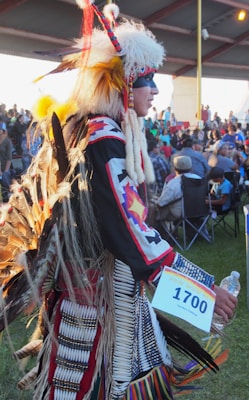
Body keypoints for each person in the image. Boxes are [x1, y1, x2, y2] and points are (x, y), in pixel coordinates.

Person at [0, 2, 237, 400]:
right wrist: (204, 292)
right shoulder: (103, 138)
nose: (156, 91)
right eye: (147, 80)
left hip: (103, 295)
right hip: (94, 302)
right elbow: (129, 229)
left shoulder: (90, 130)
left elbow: (128, 226)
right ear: (124, 82)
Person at [156, 155, 201, 222]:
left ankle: (163, 231)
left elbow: (161, 203)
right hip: (200, 212)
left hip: (180, 214)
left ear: (175, 169)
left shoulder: (173, 183)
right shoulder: (199, 179)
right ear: (191, 168)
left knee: (155, 207)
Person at [0, 121, 14, 202]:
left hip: (5, 167)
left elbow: (9, 157)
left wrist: (5, 171)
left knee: (6, 188)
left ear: (3, 131)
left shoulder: (7, 142)